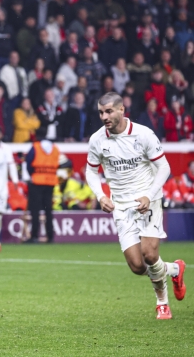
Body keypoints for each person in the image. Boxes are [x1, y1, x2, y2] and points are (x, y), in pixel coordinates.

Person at [84, 92, 186, 319]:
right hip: (120, 206)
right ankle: (176, 269)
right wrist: (101, 196)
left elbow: (164, 168)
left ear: (122, 110)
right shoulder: (97, 139)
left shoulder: (143, 134)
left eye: (109, 111)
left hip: (147, 201)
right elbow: (90, 171)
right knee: (138, 266)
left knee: (149, 255)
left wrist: (150, 195)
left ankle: (162, 303)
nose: (104, 116)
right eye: (101, 112)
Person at [25, 129, 59, 243]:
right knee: (48, 210)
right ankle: (50, 236)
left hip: (36, 181)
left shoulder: (35, 147)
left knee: (35, 210)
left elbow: (28, 163)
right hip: (50, 181)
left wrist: (32, 174)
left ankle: (34, 235)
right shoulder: (55, 149)